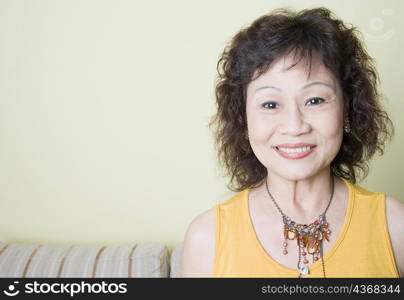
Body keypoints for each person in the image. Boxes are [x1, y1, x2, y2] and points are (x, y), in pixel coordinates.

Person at [181, 7, 404, 278]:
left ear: (347, 108)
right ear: (243, 119)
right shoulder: (207, 238)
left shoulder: (395, 225)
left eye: (315, 100)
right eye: (270, 104)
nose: (295, 126)